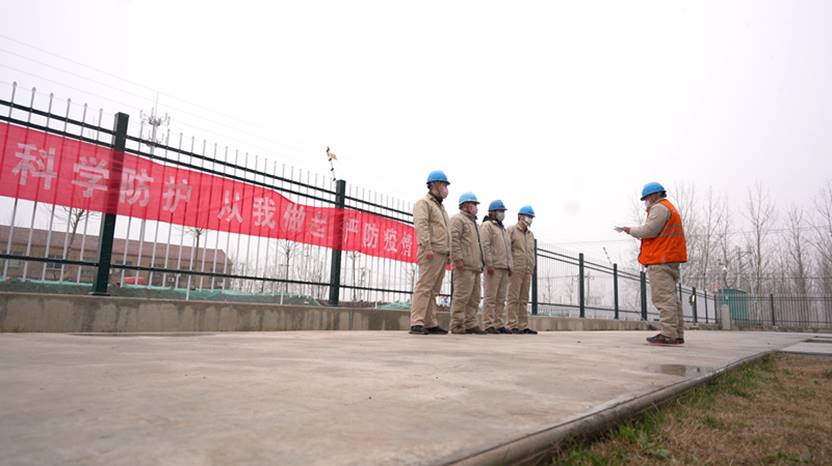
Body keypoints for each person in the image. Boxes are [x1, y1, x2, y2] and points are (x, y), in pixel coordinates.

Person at [616, 182, 688, 345]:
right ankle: (676, 334)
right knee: (671, 298)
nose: (646, 202)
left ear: (654, 195)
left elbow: (649, 231)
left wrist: (629, 230)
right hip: (669, 258)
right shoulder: (670, 208)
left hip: (660, 259)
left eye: (646, 198)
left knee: (663, 298)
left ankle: (668, 334)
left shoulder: (660, 208)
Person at [410, 170, 452, 335]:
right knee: (424, 287)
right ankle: (417, 322)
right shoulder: (424, 203)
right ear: (434, 185)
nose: (446, 189)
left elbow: (445, 231)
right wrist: (426, 246)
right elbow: (422, 225)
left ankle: (430, 322)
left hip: (441, 252)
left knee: (434, 290)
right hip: (431, 251)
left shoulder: (440, 208)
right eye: (443, 185)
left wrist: (448, 253)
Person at [449, 192, 486, 334]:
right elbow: (454, 240)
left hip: (475, 266)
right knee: (461, 296)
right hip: (463, 265)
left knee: (474, 298)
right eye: (474, 204)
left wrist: (481, 263)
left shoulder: (474, 223)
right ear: (465, 205)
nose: (476, 207)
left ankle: (471, 323)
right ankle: (457, 324)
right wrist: (457, 258)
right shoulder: (458, 220)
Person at [479, 200, 513, 334]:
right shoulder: (487, 226)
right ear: (491, 212)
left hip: (504, 267)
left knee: (500, 299)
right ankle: (488, 324)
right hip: (493, 267)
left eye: (503, 211)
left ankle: (499, 324)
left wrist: (510, 266)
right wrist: (489, 263)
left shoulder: (502, 229)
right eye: (500, 211)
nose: (502, 214)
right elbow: (485, 245)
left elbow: (508, 249)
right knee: (490, 298)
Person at [507, 205, 538, 334]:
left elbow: (531, 252)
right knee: (513, 298)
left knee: (524, 299)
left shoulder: (531, 235)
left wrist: (532, 266)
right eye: (528, 216)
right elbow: (507, 249)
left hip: (527, 269)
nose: (530, 219)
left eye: (531, 217)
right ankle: (512, 325)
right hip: (515, 268)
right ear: (520, 216)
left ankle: (523, 325)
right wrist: (508, 265)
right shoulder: (511, 231)